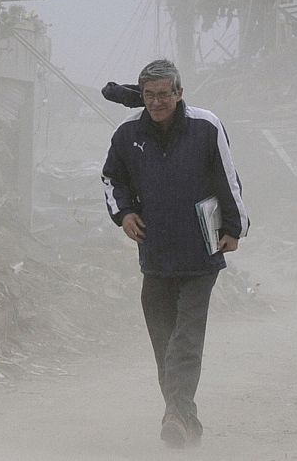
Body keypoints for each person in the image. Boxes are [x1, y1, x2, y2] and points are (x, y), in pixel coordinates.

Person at [101, 59, 249, 448]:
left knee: (185, 337)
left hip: (202, 251)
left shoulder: (205, 127)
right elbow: (110, 178)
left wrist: (235, 227)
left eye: (164, 94)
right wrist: (125, 213)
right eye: (149, 95)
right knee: (163, 340)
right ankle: (185, 417)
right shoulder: (127, 134)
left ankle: (175, 415)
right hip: (155, 254)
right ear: (142, 96)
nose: (156, 102)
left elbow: (228, 177)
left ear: (179, 93)